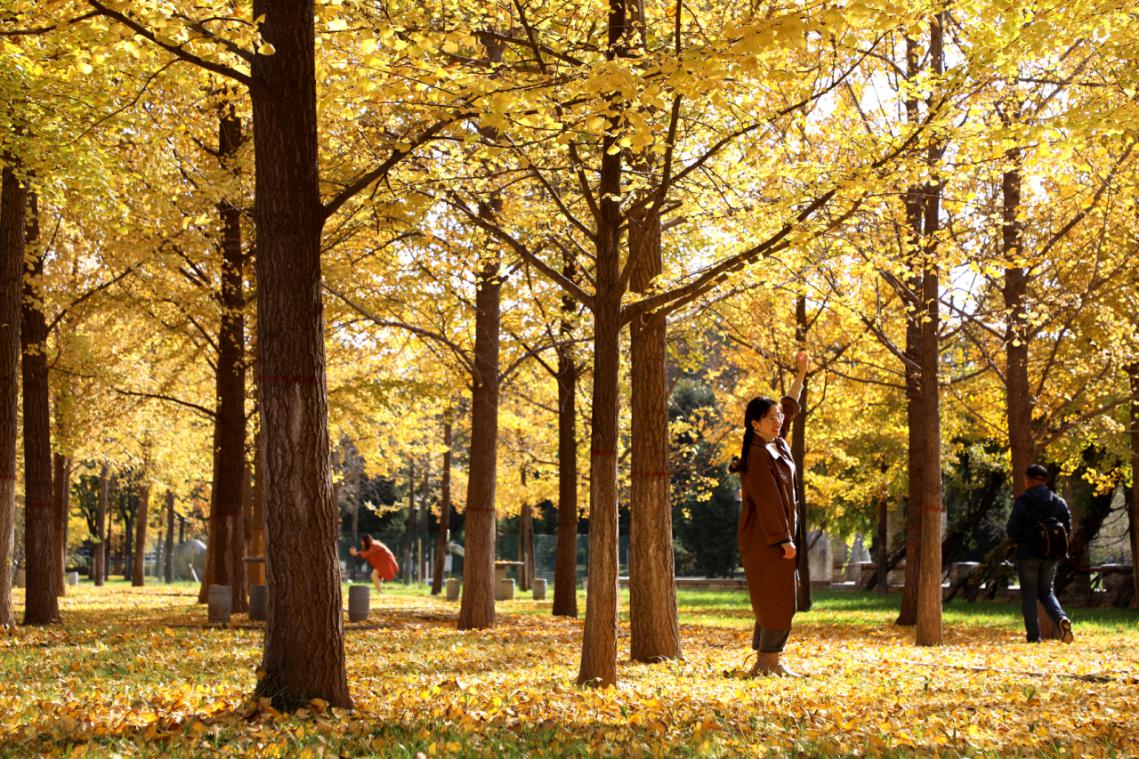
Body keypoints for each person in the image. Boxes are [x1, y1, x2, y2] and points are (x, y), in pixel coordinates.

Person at [732, 350, 809, 677]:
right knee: (775, 599)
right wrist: (783, 539)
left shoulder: (776, 444)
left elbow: (789, 408)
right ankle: (768, 661)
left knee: (776, 598)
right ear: (755, 424)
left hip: (780, 537)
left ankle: (768, 659)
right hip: (767, 538)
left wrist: (801, 375)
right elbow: (768, 503)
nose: (779, 421)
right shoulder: (758, 455)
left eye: (778, 417)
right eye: (771, 418)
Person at [1006, 464, 1074, 644]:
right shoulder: (1059, 502)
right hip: (1051, 555)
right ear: (1044, 480)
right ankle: (1061, 619)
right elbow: (1068, 529)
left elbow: (1011, 530)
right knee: (1046, 592)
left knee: (1029, 596)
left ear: (1028, 480)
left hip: (1027, 555)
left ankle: (1034, 637)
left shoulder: (1023, 502)